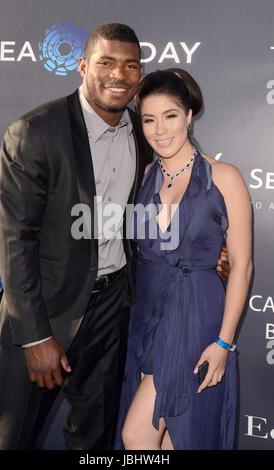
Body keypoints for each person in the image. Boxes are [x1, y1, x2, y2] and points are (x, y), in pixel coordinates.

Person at [0, 23, 229, 450]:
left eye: (130, 65)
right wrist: (34, 336)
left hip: (113, 312)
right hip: (47, 312)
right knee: (13, 437)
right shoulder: (36, 132)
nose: (119, 75)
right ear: (82, 66)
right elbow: (15, 241)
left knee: (94, 441)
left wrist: (209, 249)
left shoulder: (145, 132)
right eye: (106, 62)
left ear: (140, 75)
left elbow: (179, 195)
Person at [116, 69, 252, 450]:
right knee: (175, 441)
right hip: (147, 314)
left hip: (196, 316)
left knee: (137, 435)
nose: (159, 129)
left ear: (189, 115)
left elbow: (242, 266)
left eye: (170, 116)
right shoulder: (142, 177)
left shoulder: (224, 178)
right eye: (148, 119)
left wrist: (223, 344)